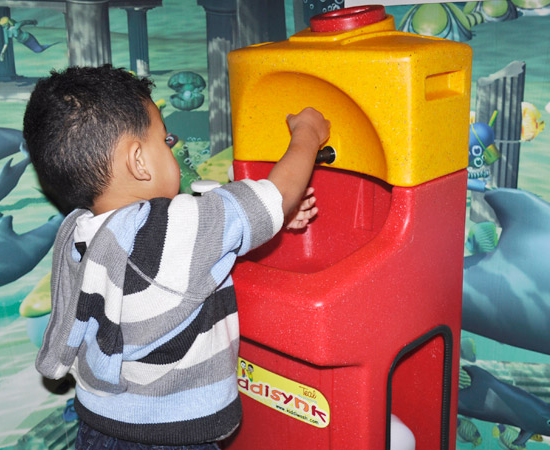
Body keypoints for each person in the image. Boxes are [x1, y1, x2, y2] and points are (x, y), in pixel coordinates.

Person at [23, 65, 330, 449]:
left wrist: (275, 217)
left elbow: (180, 255)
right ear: (138, 161)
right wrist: (307, 134)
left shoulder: (80, 232)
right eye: (165, 140)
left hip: (99, 424)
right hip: (168, 435)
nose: (171, 146)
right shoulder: (171, 232)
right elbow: (272, 196)